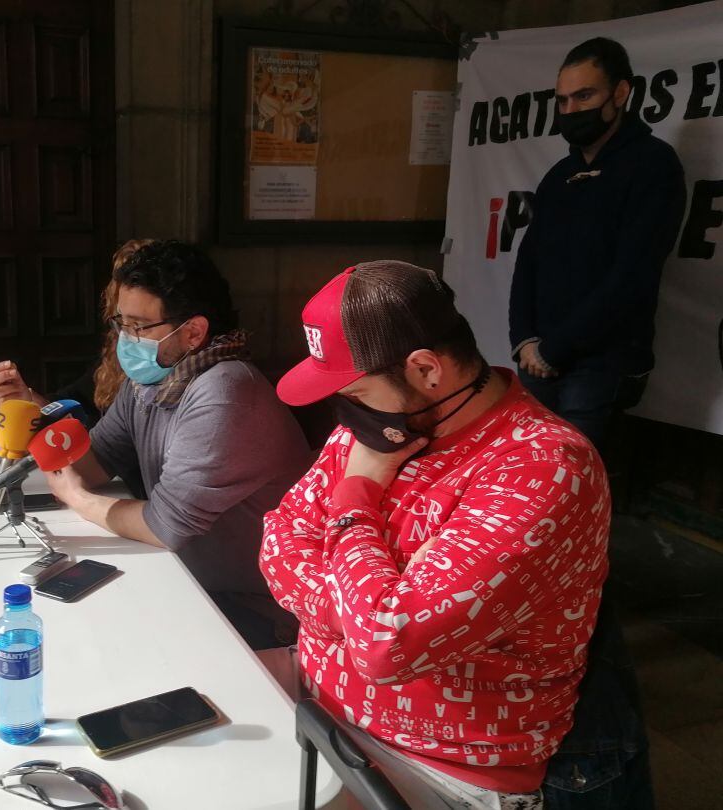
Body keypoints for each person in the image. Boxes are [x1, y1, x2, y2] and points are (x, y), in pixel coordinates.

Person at [261, 260, 623, 809]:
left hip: (440, 766)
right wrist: (368, 603)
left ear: (427, 369)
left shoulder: (543, 466)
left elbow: (387, 645)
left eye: (355, 390)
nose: (344, 412)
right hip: (322, 715)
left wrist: (356, 497)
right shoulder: (385, 422)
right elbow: (277, 540)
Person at [0, 240, 312, 647]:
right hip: (183, 577)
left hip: (251, 607)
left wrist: (77, 498)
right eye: (121, 323)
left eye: (139, 326)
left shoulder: (225, 392)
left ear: (193, 332)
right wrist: (28, 415)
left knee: (87, 642)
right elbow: (94, 463)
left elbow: (164, 526)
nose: (126, 338)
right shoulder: (152, 380)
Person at [509, 37, 686, 450]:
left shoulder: (653, 165)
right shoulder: (560, 175)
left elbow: (633, 276)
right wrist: (524, 340)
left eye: (584, 95)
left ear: (620, 93)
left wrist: (555, 348)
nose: (571, 110)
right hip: (540, 359)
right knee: (531, 473)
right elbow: (529, 260)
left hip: (602, 363)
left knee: (573, 482)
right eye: (563, 100)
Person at [0, 238, 152, 422]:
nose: (130, 334)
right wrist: (28, 400)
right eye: (124, 321)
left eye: (140, 324)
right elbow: (73, 402)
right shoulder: (119, 348)